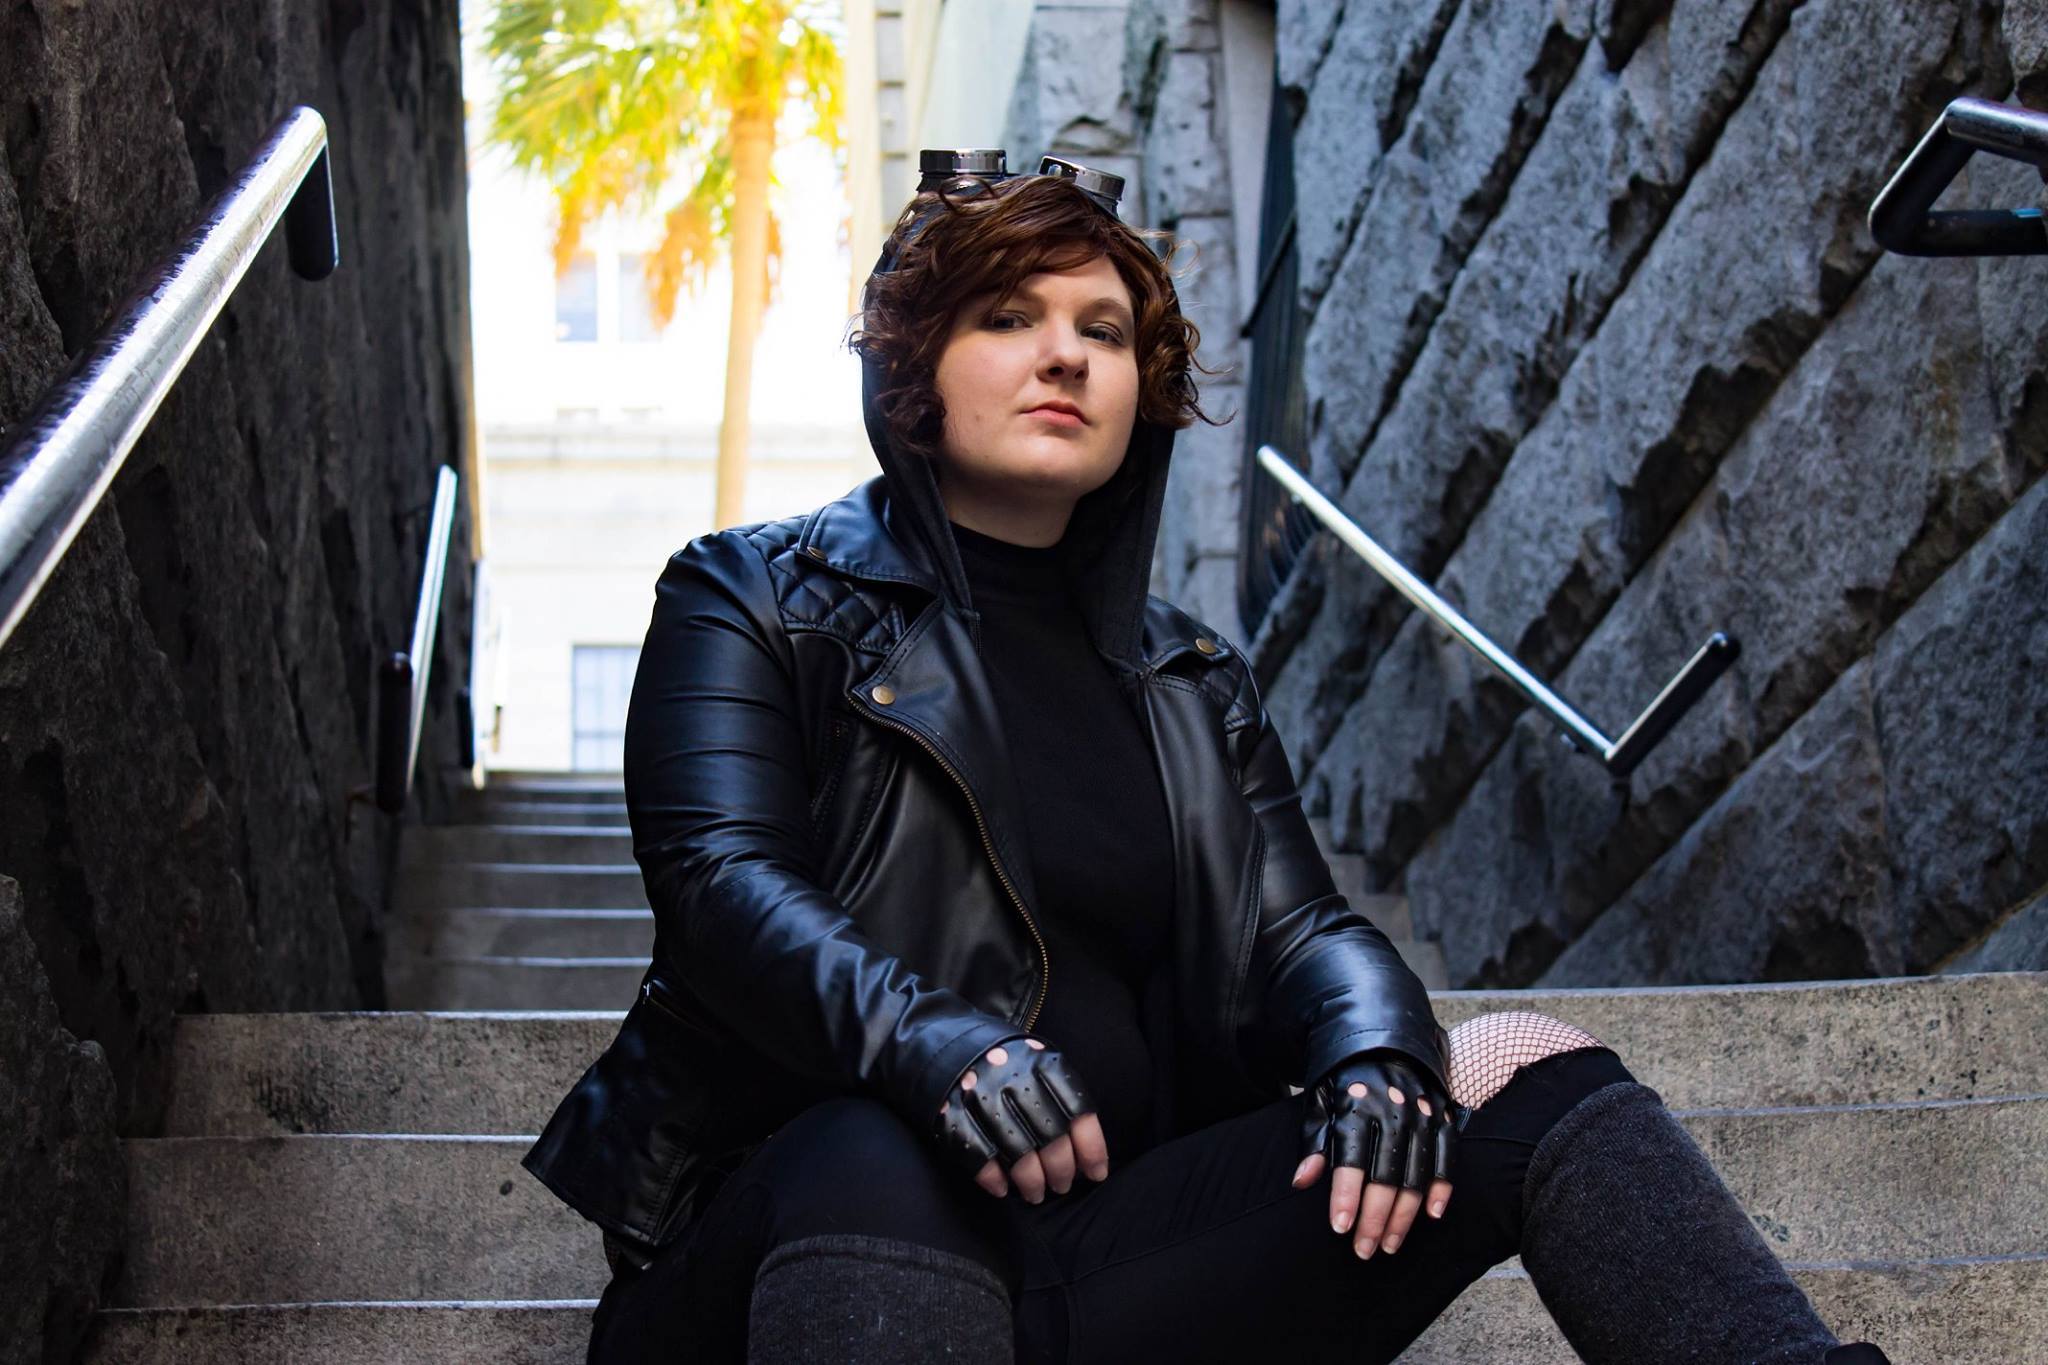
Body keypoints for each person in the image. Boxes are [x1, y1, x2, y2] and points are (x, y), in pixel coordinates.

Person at [521, 164, 1893, 1365]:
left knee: (1522, 1068)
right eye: (1008, 318)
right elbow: (720, 884)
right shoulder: (757, 595)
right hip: (805, 1247)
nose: (1065, 357)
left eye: (1103, 331)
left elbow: (1303, 930)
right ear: (914, 371)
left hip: (1111, 1252)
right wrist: (933, 1043)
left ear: (1145, 391)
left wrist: (1375, 1052)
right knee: (872, 1143)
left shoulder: (1189, 674)